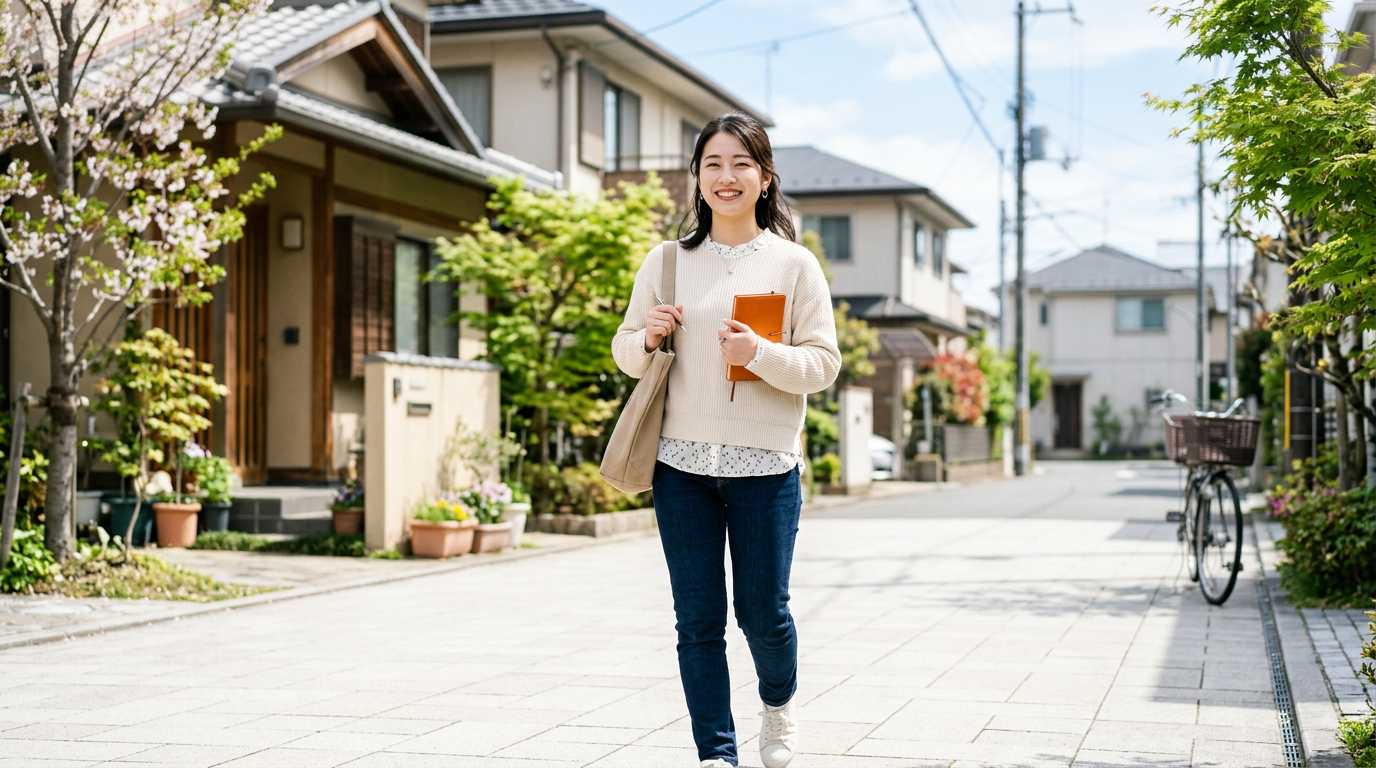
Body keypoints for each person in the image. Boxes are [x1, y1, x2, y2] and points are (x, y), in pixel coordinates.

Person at [612, 113, 841, 768]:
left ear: (765, 178)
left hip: (766, 469)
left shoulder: (795, 265)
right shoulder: (666, 262)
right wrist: (648, 337)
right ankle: (718, 754)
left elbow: (823, 366)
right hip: (680, 468)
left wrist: (761, 352)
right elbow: (626, 352)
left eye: (741, 163)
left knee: (763, 617)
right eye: (712, 163)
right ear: (697, 178)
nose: (725, 176)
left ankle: (778, 703)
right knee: (697, 624)